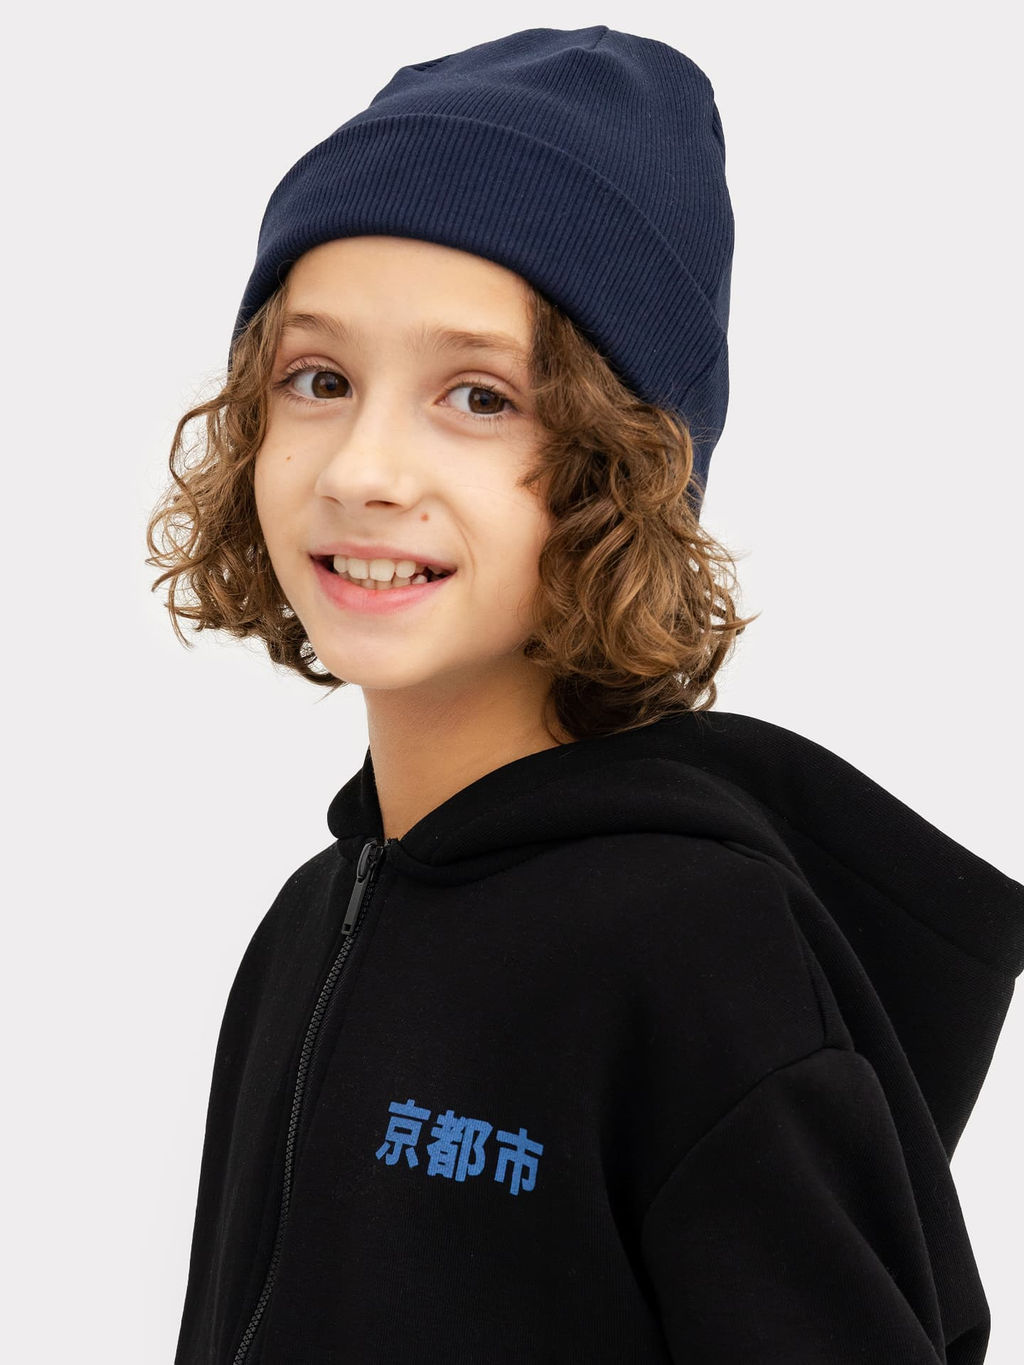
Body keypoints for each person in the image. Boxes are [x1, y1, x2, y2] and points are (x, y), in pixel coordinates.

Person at [147, 26, 1023, 1365]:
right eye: (318, 380)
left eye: (478, 396)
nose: (364, 468)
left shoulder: (700, 955)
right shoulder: (307, 926)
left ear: (624, 467)